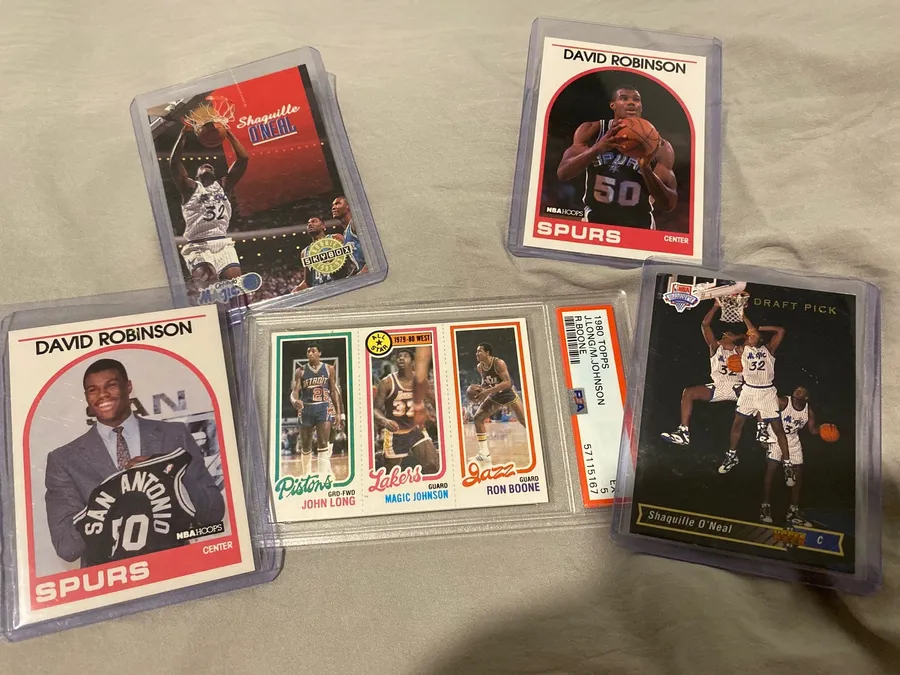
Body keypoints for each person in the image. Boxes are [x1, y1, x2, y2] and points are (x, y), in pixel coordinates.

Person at [44, 358, 224, 566]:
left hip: (175, 567)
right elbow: (66, 547)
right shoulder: (64, 459)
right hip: (110, 577)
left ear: (128, 386)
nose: (102, 395)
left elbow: (213, 512)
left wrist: (166, 471)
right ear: (86, 397)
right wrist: (109, 496)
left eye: (111, 385)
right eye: (93, 390)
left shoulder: (174, 435)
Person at [556, 85, 677, 229]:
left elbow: (668, 204)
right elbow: (563, 173)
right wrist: (596, 149)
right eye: (624, 98)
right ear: (612, 105)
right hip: (594, 223)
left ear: (641, 107)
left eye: (636, 100)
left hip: (640, 227)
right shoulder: (593, 131)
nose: (631, 102)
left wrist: (646, 169)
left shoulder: (660, 146)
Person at [717, 315, 794, 487]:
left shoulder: (769, 349)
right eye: (750, 335)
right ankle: (731, 455)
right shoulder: (742, 349)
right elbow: (725, 342)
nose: (751, 336)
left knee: (778, 429)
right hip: (749, 391)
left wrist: (757, 327)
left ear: (760, 338)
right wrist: (744, 324)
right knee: (737, 424)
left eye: (754, 336)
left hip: (767, 391)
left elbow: (780, 331)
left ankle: (788, 464)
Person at [169, 126, 249, 289]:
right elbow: (174, 163)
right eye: (203, 166)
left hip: (222, 243)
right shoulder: (190, 188)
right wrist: (183, 134)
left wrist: (228, 133)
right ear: (196, 176)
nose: (208, 166)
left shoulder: (224, 186)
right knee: (210, 285)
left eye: (211, 167)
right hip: (197, 246)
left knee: (235, 287)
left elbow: (243, 158)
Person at [661, 301, 744, 445]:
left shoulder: (741, 350)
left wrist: (739, 335)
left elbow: (753, 337)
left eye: (729, 335)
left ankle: (764, 429)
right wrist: (716, 306)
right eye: (725, 335)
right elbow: (705, 324)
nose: (726, 336)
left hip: (737, 386)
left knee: (761, 396)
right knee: (688, 392)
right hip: (718, 386)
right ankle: (684, 432)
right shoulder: (715, 347)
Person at [758, 387, 820, 526]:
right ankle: (765, 507)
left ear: (806, 397)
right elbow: (764, 408)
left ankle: (793, 511)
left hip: (792, 440)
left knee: (798, 473)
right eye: (797, 389)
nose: (797, 391)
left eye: (802, 391)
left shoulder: (808, 411)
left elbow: (812, 430)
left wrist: (824, 430)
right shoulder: (783, 402)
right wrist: (763, 433)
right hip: (775, 437)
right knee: (771, 470)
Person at [373, 349, 439, 473]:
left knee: (433, 465)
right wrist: (385, 421)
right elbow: (375, 409)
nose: (401, 358)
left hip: (416, 430)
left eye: (405, 356)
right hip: (395, 434)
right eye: (399, 356)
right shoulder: (387, 382)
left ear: (413, 362)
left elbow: (435, 401)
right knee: (392, 473)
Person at [469, 342, 527, 463]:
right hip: (495, 394)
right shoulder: (480, 367)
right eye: (476, 351)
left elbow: (507, 383)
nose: (477, 353)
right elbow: (486, 382)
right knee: (478, 418)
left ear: (487, 353)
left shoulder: (498, 363)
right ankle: (484, 454)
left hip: (508, 393)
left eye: (479, 351)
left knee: (524, 421)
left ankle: (539, 440)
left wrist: (487, 391)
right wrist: (480, 389)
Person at [290, 345, 343, 477]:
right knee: (306, 445)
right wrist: (294, 401)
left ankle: (323, 476)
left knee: (323, 443)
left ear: (320, 353)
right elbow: (295, 391)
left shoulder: (329, 368)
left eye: (313, 351)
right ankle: (306, 476)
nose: (310, 353)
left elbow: (333, 391)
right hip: (306, 408)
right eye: (308, 351)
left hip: (323, 407)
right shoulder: (300, 371)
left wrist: (338, 412)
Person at [331, 196, 367, 274]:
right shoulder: (345, 233)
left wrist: (364, 271)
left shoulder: (355, 223)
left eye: (338, 203)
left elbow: (374, 251)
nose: (333, 207)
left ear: (348, 206)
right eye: (333, 205)